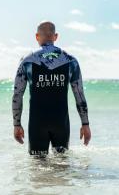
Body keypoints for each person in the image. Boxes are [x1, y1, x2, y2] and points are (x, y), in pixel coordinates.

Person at [12, 21, 91, 156]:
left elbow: (17, 95)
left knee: (37, 168)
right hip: (61, 122)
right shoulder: (70, 60)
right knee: (62, 166)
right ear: (55, 36)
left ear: (37, 36)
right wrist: (85, 124)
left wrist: (17, 124)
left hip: (37, 123)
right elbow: (79, 94)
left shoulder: (27, 61)